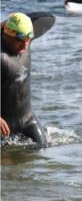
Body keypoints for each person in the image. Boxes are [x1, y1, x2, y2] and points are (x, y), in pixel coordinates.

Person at [1, 12, 56, 146]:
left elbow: (49, 18)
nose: (25, 45)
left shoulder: (25, 38)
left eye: (28, 39)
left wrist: (9, 23)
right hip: (3, 126)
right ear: (8, 34)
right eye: (20, 39)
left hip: (28, 120)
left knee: (42, 150)